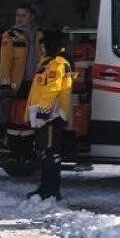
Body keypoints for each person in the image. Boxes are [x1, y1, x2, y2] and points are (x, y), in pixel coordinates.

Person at [25, 32, 74, 201]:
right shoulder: (48, 62)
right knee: (45, 153)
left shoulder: (57, 64)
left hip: (51, 116)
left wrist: (43, 113)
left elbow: (52, 90)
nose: (42, 48)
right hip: (47, 114)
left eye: (44, 45)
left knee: (51, 153)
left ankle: (50, 190)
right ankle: (45, 188)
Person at [0, 4, 44, 158]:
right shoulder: (10, 35)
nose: (19, 18)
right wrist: (4, 82)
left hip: (35, 82)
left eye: (23, 15)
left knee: (31, 118)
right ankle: (16, 151)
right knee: (16, 117)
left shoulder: (40, 34)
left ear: (32, 17)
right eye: (17, 15)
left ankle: (27, 150)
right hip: (17, 82)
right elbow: (5, 61)